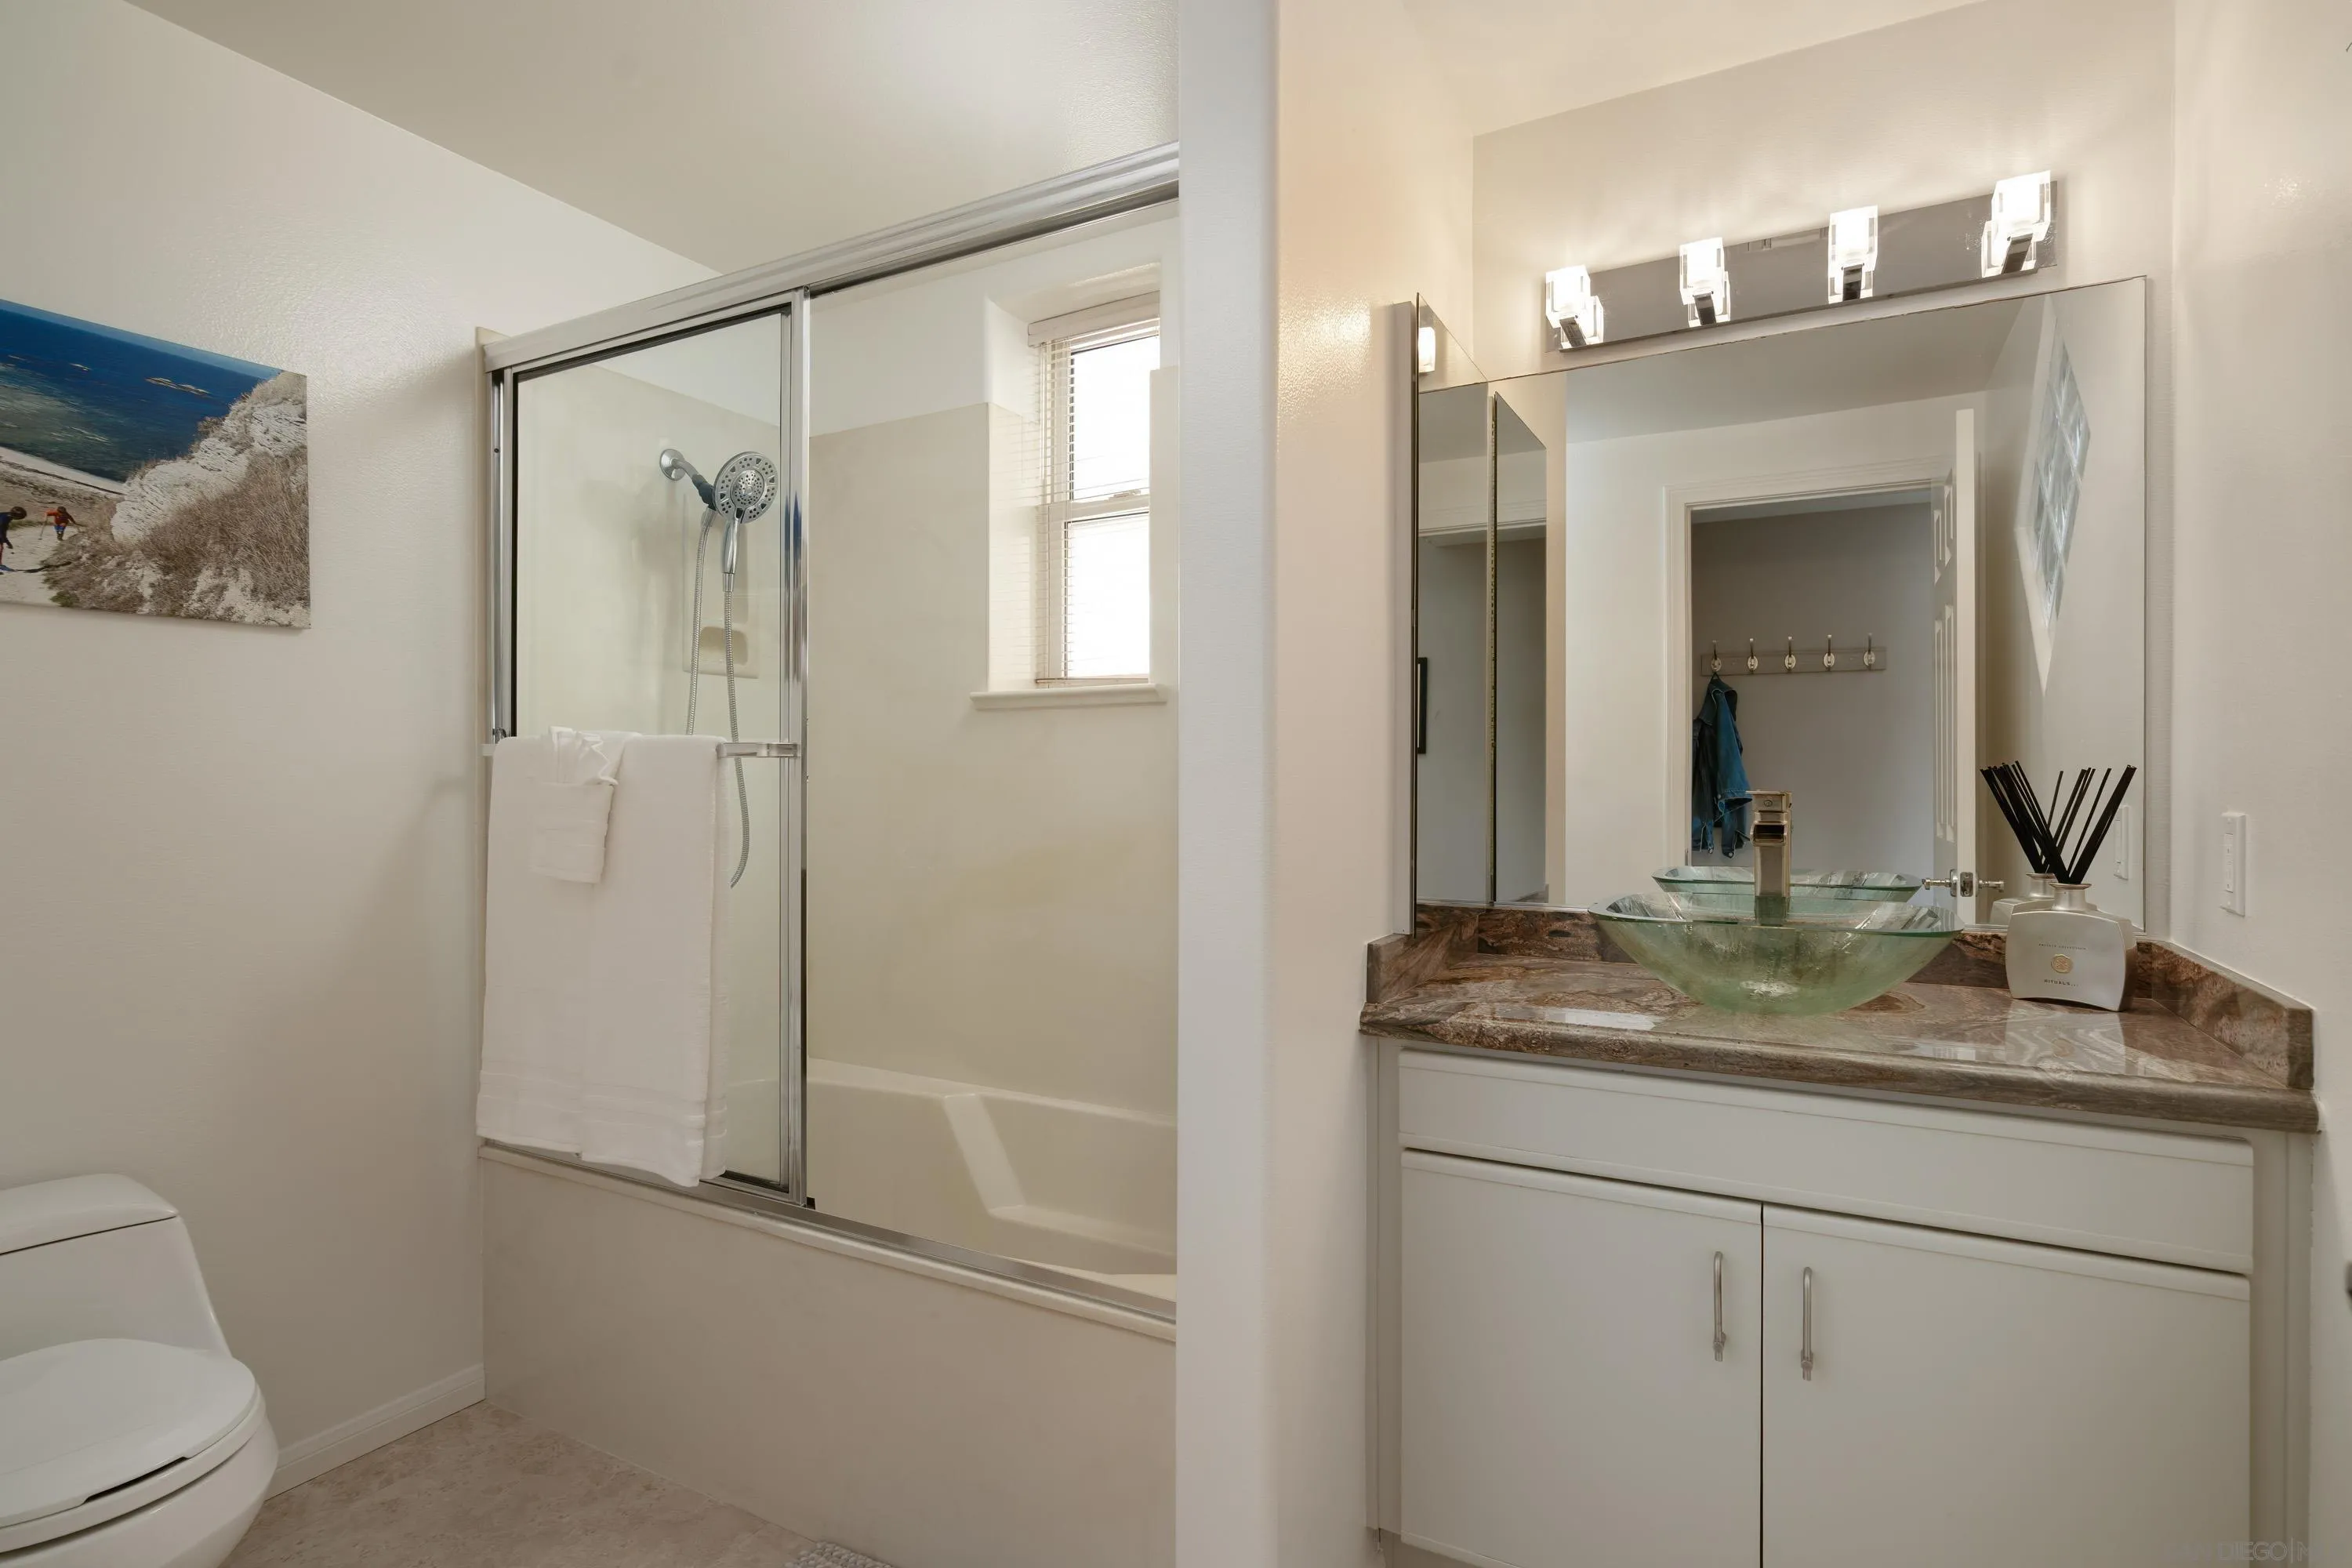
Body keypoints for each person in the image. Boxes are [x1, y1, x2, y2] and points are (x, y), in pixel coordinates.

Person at [0, 506, 23, 572]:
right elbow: (2, 532)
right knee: (1, 548)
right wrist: (8, 543)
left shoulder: (7, 515)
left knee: (1, 547)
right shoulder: (5, 520)